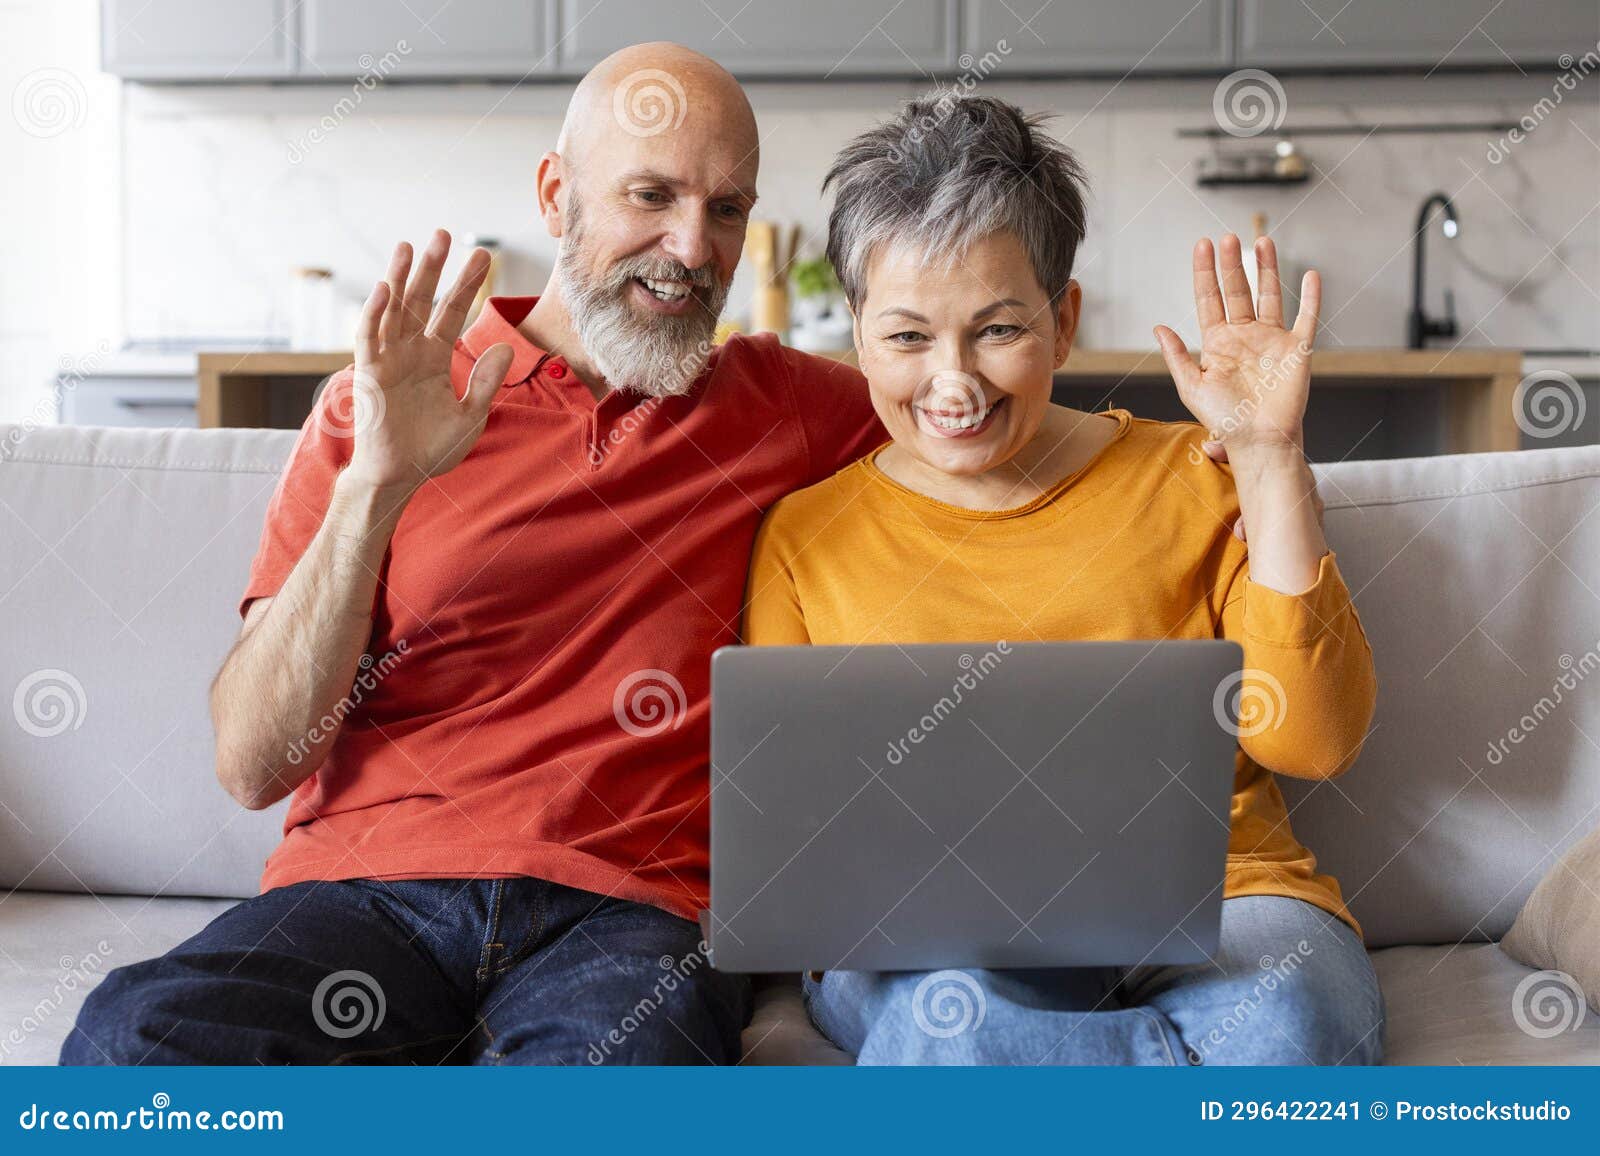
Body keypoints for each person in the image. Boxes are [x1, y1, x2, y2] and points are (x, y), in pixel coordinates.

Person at [60, 42, 885, 1066]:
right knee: (132, 1043)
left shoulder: (790, 407)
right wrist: (375, 487)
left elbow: (985, 419)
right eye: (650, 194)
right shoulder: (382, 407)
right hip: (365, 896)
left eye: (726, 208)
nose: (690, 245)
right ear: (555, 193)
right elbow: (252, 763)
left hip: (627, 913)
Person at [742, 94, 1384, 1065]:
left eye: (997, 329)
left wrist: (1270, 457)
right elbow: (790, 846)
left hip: (1227, 906)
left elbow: (1316, 738)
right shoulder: (805, 537)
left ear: (1064, 317)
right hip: (936, 942)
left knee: (1289, 1018)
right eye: (908, 337)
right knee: (943, 1025)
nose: (953, 384)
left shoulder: (1194, 475)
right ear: (857, 334)